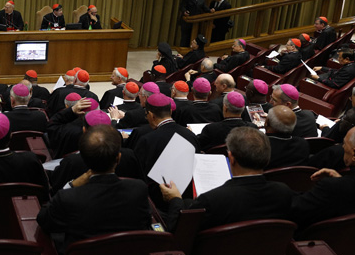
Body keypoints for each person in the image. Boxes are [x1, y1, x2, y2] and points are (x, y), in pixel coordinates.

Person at [37, 124, 149, 253]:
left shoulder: (68, 197)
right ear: (118, 158)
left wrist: (71, 185)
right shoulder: (138, 189)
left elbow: (44, 220)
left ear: (84, 160)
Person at [161, 127, 295, 231]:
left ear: (231, 158)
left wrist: (175, 199)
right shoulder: (284, 192)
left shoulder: (211, 200)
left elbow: (176, 229)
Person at [291, 127, 355, 229]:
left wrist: (280, 191)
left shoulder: (331, 186)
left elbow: (295, 210)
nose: (342, 147)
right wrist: (340, 179)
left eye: (344, 144)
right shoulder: (341, 184)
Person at [133, 94, 200, 177]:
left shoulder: (147, 140)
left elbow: (138, 171)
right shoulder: (190, 135)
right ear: (171, 112)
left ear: (151, 115)